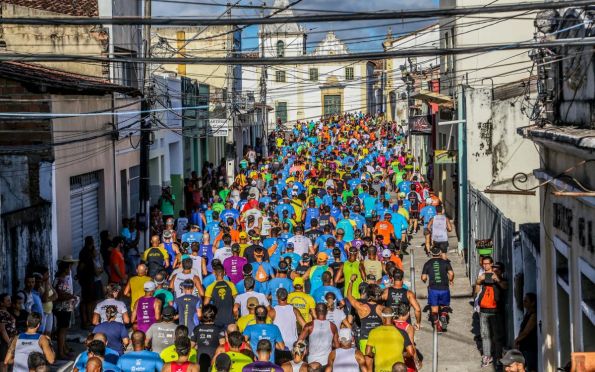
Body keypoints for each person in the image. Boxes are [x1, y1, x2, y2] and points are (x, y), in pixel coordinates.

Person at [476, 256, 507, 368]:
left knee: (497, 336)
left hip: (496, 312)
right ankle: (487, 356)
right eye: (494, 269)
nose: (494, 271)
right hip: (484, 310)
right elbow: (477, 287)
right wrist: (479, 281)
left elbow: (505, 286)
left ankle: (498, 357)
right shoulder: (485, 277)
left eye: (497, 269)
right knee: (485, 335)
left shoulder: (502, 280)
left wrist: (497, 280)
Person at [365, 307, 414, 372]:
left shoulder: (373, 332)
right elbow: (410, 352)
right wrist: (402, 354)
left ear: (382, 316)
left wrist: (375, 355)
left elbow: (368, 352)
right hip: (397, 369)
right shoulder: (402, 332)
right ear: (393, 317)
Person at [346, 275, 383, 353]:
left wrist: (351, 282)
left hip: (365, 338)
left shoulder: (361, 307)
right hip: (378, 339)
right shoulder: (381, 308)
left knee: (366, 363)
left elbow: (349, 296)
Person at [421, 246, 454, 332]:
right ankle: (443, 314)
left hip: (433, 289)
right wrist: (451, 280)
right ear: (440, 253)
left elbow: (423, 277)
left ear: (431, 254)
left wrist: (424, 280)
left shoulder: (427, 263)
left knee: (434, 309)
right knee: (445, 305)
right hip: (444, 288)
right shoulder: (445, 262)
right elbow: (451, 273)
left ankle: (438, 327)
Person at [270, 288, 305, 361]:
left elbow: (268, 329)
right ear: (287, 296)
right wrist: (300, 340)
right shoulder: (294, 310)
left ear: (277, 297)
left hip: (279, 346)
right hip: (293, 346)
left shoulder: (272, 311)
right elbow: (305, 326)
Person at [53, 258, 78, 359]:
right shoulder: (61, 279)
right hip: (62, 308)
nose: (70, 269)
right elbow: (59, 295)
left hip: (64, 307)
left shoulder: (60, 278)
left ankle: (63, 349)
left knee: (63, 330)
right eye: (69, 267)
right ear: (66, 268)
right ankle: (61, 352)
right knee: (62, 330)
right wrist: (72, 297)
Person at [191, 304, 225, 371]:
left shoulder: (197, 328)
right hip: (214, 359)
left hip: (200, 358)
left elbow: (191, 345)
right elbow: (222, 346)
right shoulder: (219, 329)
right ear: (215, 315)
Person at [514, 293, 537, 372]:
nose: (524, 302)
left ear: (533, 303)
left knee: (531, 367)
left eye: (526, 301)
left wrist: (517, 340)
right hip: (525, 346)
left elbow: (526, 332)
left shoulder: (533, 315)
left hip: (530, 346)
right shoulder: (528, 313)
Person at [0, 294, 16, 372]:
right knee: (4, 364)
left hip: (10, 341)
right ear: (1, 303)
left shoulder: (7, 312)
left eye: (10, 300)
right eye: (8, 300)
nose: (10, 302)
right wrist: (9, 343)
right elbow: (2, 330)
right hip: (4, 342)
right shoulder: (1, 314)